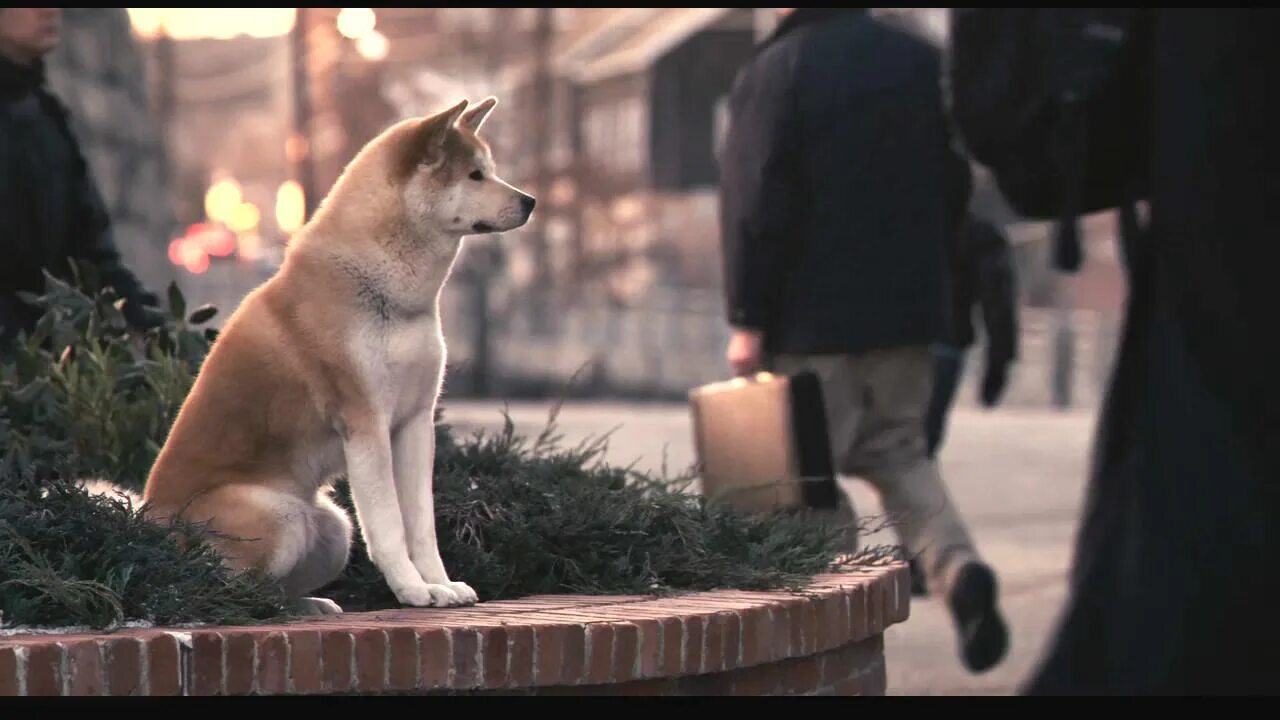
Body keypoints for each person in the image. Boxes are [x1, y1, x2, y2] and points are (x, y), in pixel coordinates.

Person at [717, 7, 1008, 674]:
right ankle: (957, 567)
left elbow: (755, 197)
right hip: (910, 314)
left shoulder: (777, 70)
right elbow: (955, 187)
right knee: (899, 452)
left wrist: (747, 316)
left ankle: (840, 640)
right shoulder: (918, 61)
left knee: (804, 486)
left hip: (811, 321)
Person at [0, 7, 159, 352]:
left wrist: (156, 326)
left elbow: (92, 256)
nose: (50, 11)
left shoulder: (45, 117)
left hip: (45, 371)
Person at [925, 214, 1019, 458]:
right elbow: (998, 302)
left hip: (878, 343)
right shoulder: (976, 232)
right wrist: (998, 364)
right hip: (945, 341)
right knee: (917, 450)